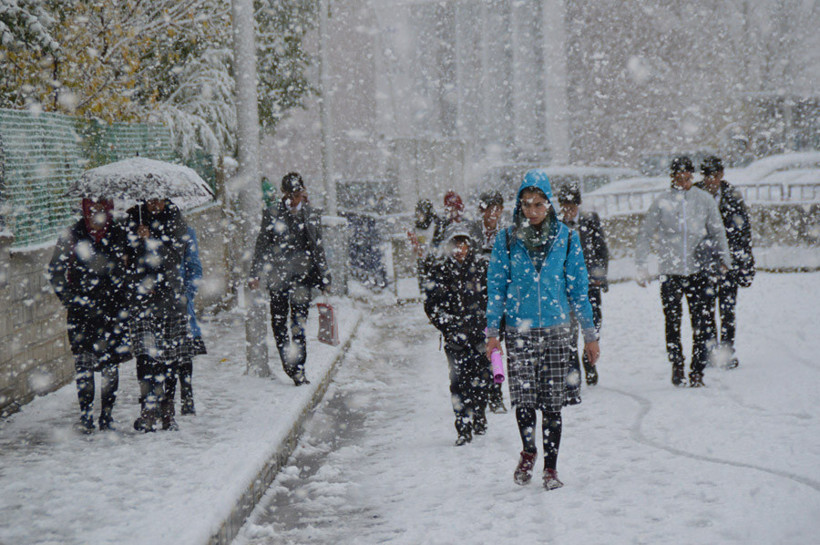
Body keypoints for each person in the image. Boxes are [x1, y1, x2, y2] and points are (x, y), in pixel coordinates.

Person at [485, 169, 600, 490]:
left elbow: (579, 290)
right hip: (519, 331)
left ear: (549, 204)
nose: (532, 211)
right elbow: (495, 288)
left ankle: (551, 468)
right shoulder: (506, 239)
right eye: (526, 204)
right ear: (519, 204)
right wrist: (492, 332)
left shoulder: (567, 238)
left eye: (538, 204)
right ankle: (529, 450)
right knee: (524, 401)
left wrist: (590, 336)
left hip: (556, 331)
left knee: (552, 403)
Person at [635, 156, 731, 388]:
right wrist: (641, 263)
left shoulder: (704, 199)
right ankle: (677, 362)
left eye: (688, 177)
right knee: (673, 321)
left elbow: (718, 231)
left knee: (701, 322)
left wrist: (724, 259)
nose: (683, 182)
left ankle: (697, 369)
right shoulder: (662, 201)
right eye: (679, 177)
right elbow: (645, 233)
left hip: (698, 270)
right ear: (672, 177)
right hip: (671, 270)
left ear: (692, 177)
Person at [48, 198, 132, 432]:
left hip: (113, 311)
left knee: (110, 365)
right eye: (92, 211)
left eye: (101, 211)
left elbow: (134, 266)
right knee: (84, 364)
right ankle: (86, 415)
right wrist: (70, 300)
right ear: (85, 211)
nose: (96, 216)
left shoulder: (120, 232)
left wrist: (125, 278)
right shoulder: (72, 234)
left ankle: (106, 415)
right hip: (82, 313)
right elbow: (55, 270)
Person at [249, 172, 331, 386]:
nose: (292, 199)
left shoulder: (311, 214)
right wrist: (255, 273)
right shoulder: (272, 213)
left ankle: (299, 369)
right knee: (278, 323)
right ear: (283, 194)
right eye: (289, 195)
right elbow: (262, 245)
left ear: (302, 192)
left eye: (296, 194)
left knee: (299, 325)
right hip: (278, 278)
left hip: (302, 279)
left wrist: (324, 277)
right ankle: (289, 363)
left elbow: (317, 247)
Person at [126, 198, 190, 432]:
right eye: (150, 199)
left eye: (159, 199)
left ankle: (167, 411)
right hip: (142, 301)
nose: (155, 204)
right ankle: (147, 409)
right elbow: (125, 260)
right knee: (144, 358)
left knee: (169, 358)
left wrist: (151, 239)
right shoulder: (133, 218)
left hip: (169, 300)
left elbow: (175, 256)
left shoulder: (175, 219)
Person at [424, 223, 491, 446]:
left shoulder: (482, 267)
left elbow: (493, 299)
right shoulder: (439, 271)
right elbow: (432, 305)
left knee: (482, 378)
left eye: (463, 244)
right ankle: (463, 425)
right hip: (455, 338)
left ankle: (479, 414)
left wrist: (486, 323)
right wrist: (449, 325)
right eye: (455, 244)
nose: (459, 249)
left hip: (479, 335)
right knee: (458, 381)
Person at [695, 156, 755, 369]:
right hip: (704, 265)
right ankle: (711, 351)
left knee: (727, 310)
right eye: (708, 176)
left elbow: (743, 232)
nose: (712, 180)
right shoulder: (695, 196)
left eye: (715, 175)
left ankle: (726, 351)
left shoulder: (732, 196)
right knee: (706, 310)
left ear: (721, 175)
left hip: (729, 265)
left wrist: (745, 262)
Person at [557, 183, 609, 400]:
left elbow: (601, 248)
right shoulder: (557, 227)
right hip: (566, 287)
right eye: (565, 206)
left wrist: (600, 274)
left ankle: (589, 361)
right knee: (569, 331)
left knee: (593, 324)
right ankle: (572, 375)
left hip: (589, 284)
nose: (568, 210)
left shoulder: (590, 220)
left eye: (572, 206)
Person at [470, 190, 508, 414]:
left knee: (495, 346)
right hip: (476, 300)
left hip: (499, 299)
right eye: (489, 208)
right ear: (482, 210)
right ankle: (482, 391)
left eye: (497, 208)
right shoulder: (472, 233)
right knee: (480, 348)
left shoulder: (506, 234)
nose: (493, 213)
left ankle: (496, 392)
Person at [165, 226, 207, 416]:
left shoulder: (184, 231)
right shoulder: (143, 227)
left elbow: (195, 268)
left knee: (183, 350)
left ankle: (186, 395)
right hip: (156, 302)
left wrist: (187, 293)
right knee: (164, 353)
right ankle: (167, 400)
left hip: (180, 301)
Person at [407, 199, 438, 291]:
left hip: (435, 260)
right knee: (425, 290)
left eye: (422, 212)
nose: (419, 215)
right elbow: (415, 245)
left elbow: (439, 243)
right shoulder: (416, 227)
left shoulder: (436, 224)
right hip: (422, 260)